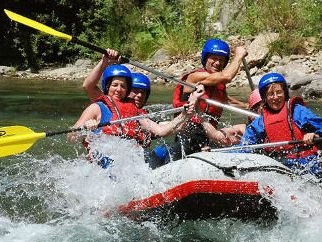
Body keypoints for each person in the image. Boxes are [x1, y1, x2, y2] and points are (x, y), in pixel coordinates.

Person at [67, 64, 202, 168]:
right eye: (115, 85)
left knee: (148, 155)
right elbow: (71, 137)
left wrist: (185, 113)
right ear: (107, 87)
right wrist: (85, 128)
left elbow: (162, 131)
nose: (119, 89)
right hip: (103, 162)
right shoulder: (97, 107)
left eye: (123, 86)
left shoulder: (135, 113)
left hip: (129, 163)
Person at [239, 72, 322, 177]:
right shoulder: (260, 122)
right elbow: (245, 146)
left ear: (285, 93)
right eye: (270, 94)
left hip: (308, 164)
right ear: (265, 97)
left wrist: (316, 136)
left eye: (279, 92)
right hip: (279, 166)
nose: (275, 97)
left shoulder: (298, 112)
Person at [169, 38, 249, 159]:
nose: (218, 63)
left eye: (222, 60)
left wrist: (248, 106)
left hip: (209, 133)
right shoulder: (195, 77)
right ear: (205, 59)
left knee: (243, 130)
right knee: (194, 138)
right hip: (188, 132)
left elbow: (226, 102)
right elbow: (227, 76)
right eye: (214, 58)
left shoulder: (218, 86)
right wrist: (238, 56)